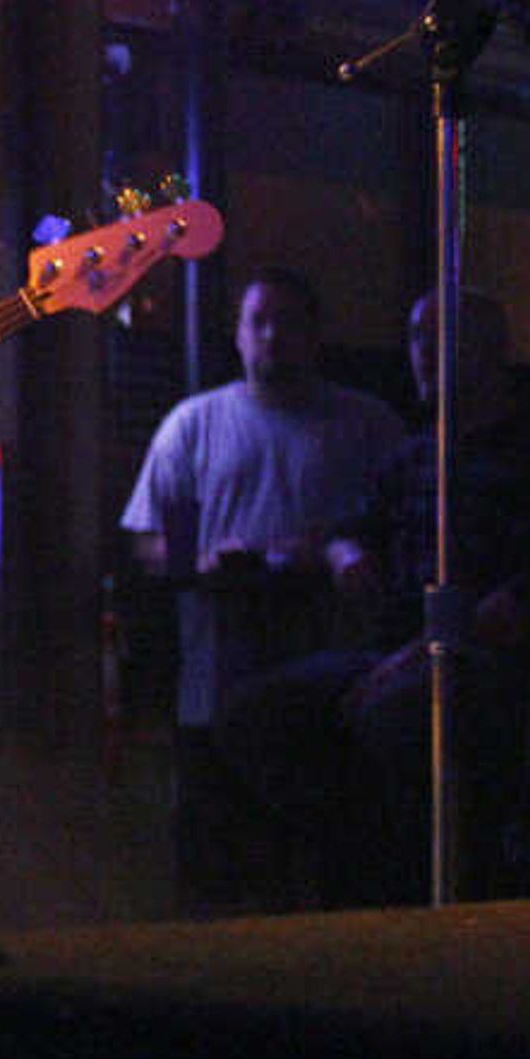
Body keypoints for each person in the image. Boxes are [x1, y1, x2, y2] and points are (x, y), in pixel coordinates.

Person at [209, 290, 530, 905]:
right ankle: (345, 874)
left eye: (441, 338)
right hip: (390, 652)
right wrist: (344, 552)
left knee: (393, 716)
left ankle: (418, 893)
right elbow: (353, 527)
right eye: (415, 339)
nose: (423, 356)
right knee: (251, 714)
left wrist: (433, 649)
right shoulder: (413, 456)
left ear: (491, 350)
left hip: (489, 664)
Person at [117, 265, 406, 904]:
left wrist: (333, 556)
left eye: (290, 322)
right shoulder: (194, 428)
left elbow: (406, 537)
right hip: (216, 681)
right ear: (239, 335)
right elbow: (150, 544)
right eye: (260, 322)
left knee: (327, 868)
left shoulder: (365, 428)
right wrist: (209, 562)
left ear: (316, 335)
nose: (274, 336)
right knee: (221, 869)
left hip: (338, 688)